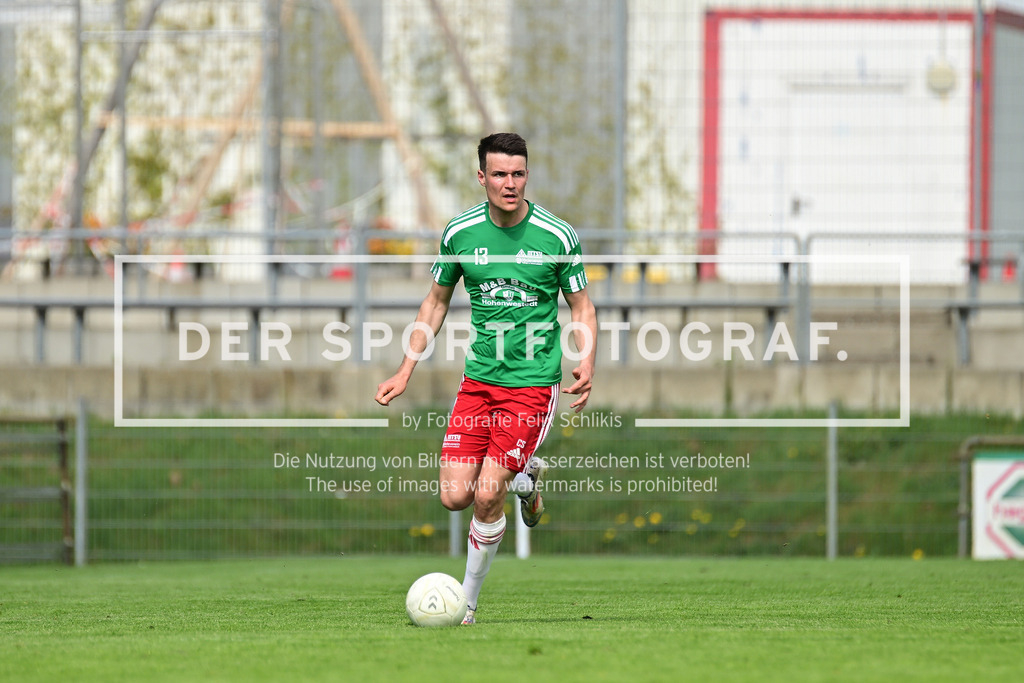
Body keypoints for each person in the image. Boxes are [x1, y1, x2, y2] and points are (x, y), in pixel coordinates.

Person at [375, 132, 597, 625]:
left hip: (533, 385)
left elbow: (582, 306)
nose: (510, 183)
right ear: (482, 177)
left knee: (485, 493)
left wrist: (586, 359)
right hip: (478, 382)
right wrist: (406, 367)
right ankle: (527, 484)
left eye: (518, 173)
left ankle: (467, 604)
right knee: (454, 496)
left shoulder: (557, 235)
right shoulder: (460, 233)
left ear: (527, 176)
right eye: (499, 174)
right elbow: (435, 302)